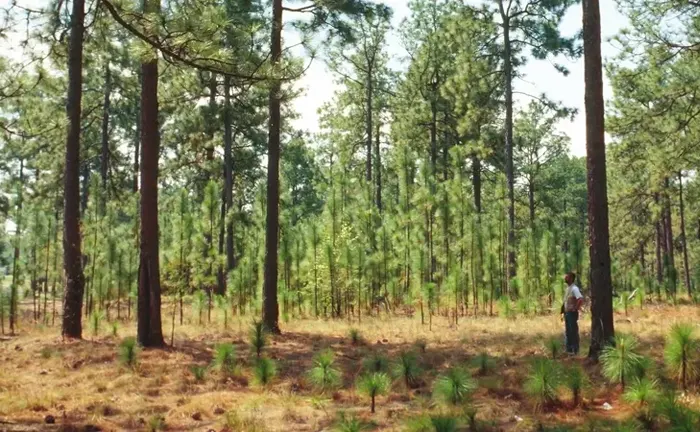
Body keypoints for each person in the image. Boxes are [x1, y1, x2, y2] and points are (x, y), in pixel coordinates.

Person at [561, 272, 583, 355]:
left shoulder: (574, 289)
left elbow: (580, 299)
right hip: (567, 313)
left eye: (567, 277)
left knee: (573, 331)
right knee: (568, 331)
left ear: (571, 278)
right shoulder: (568, 289)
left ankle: (575, 350)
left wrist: (575, 308)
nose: (565, 278)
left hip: (572, 314)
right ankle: (569, 349)